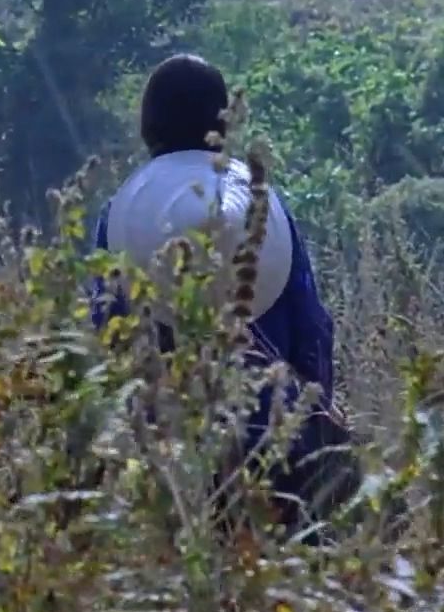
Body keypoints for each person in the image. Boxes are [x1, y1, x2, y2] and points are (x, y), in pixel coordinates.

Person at [91, 54, 357, 538]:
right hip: (279, 450)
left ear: (149, 127)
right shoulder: (267, 211)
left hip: (166, 459)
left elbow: (105, 333)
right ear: (223, 123)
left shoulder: (119, 216)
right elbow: (313, 328)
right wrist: (316, 409)